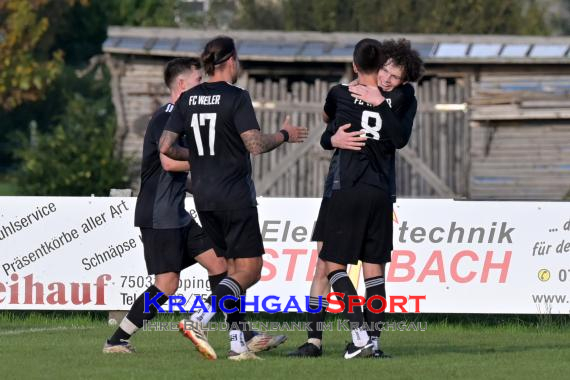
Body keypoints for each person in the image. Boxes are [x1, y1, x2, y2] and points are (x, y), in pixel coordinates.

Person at [159, 36, 308, 361]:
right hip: (234, 195)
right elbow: (255, 144)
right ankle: (199, 318)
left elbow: (166, 147)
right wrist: (284, 135)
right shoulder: (236, 97)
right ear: (230, 60)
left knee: (229, 273)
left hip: (204, 197)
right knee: (250, 271)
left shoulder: (188, 98)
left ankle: (238, 345)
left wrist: (199, 155)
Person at [288, 39, 423, 359]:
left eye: (395, 75)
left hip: (364, 189)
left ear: (404, 81)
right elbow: (328, 129)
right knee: (324, 264)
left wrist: (377, 100)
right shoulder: (348, 92)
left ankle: (366, 339)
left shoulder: (401, 98)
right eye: (386, 70)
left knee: (361, 268)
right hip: (339, 185)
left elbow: (400, 137)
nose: (388, 78)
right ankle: (315, 341)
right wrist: (331, 136)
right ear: (378, 66)